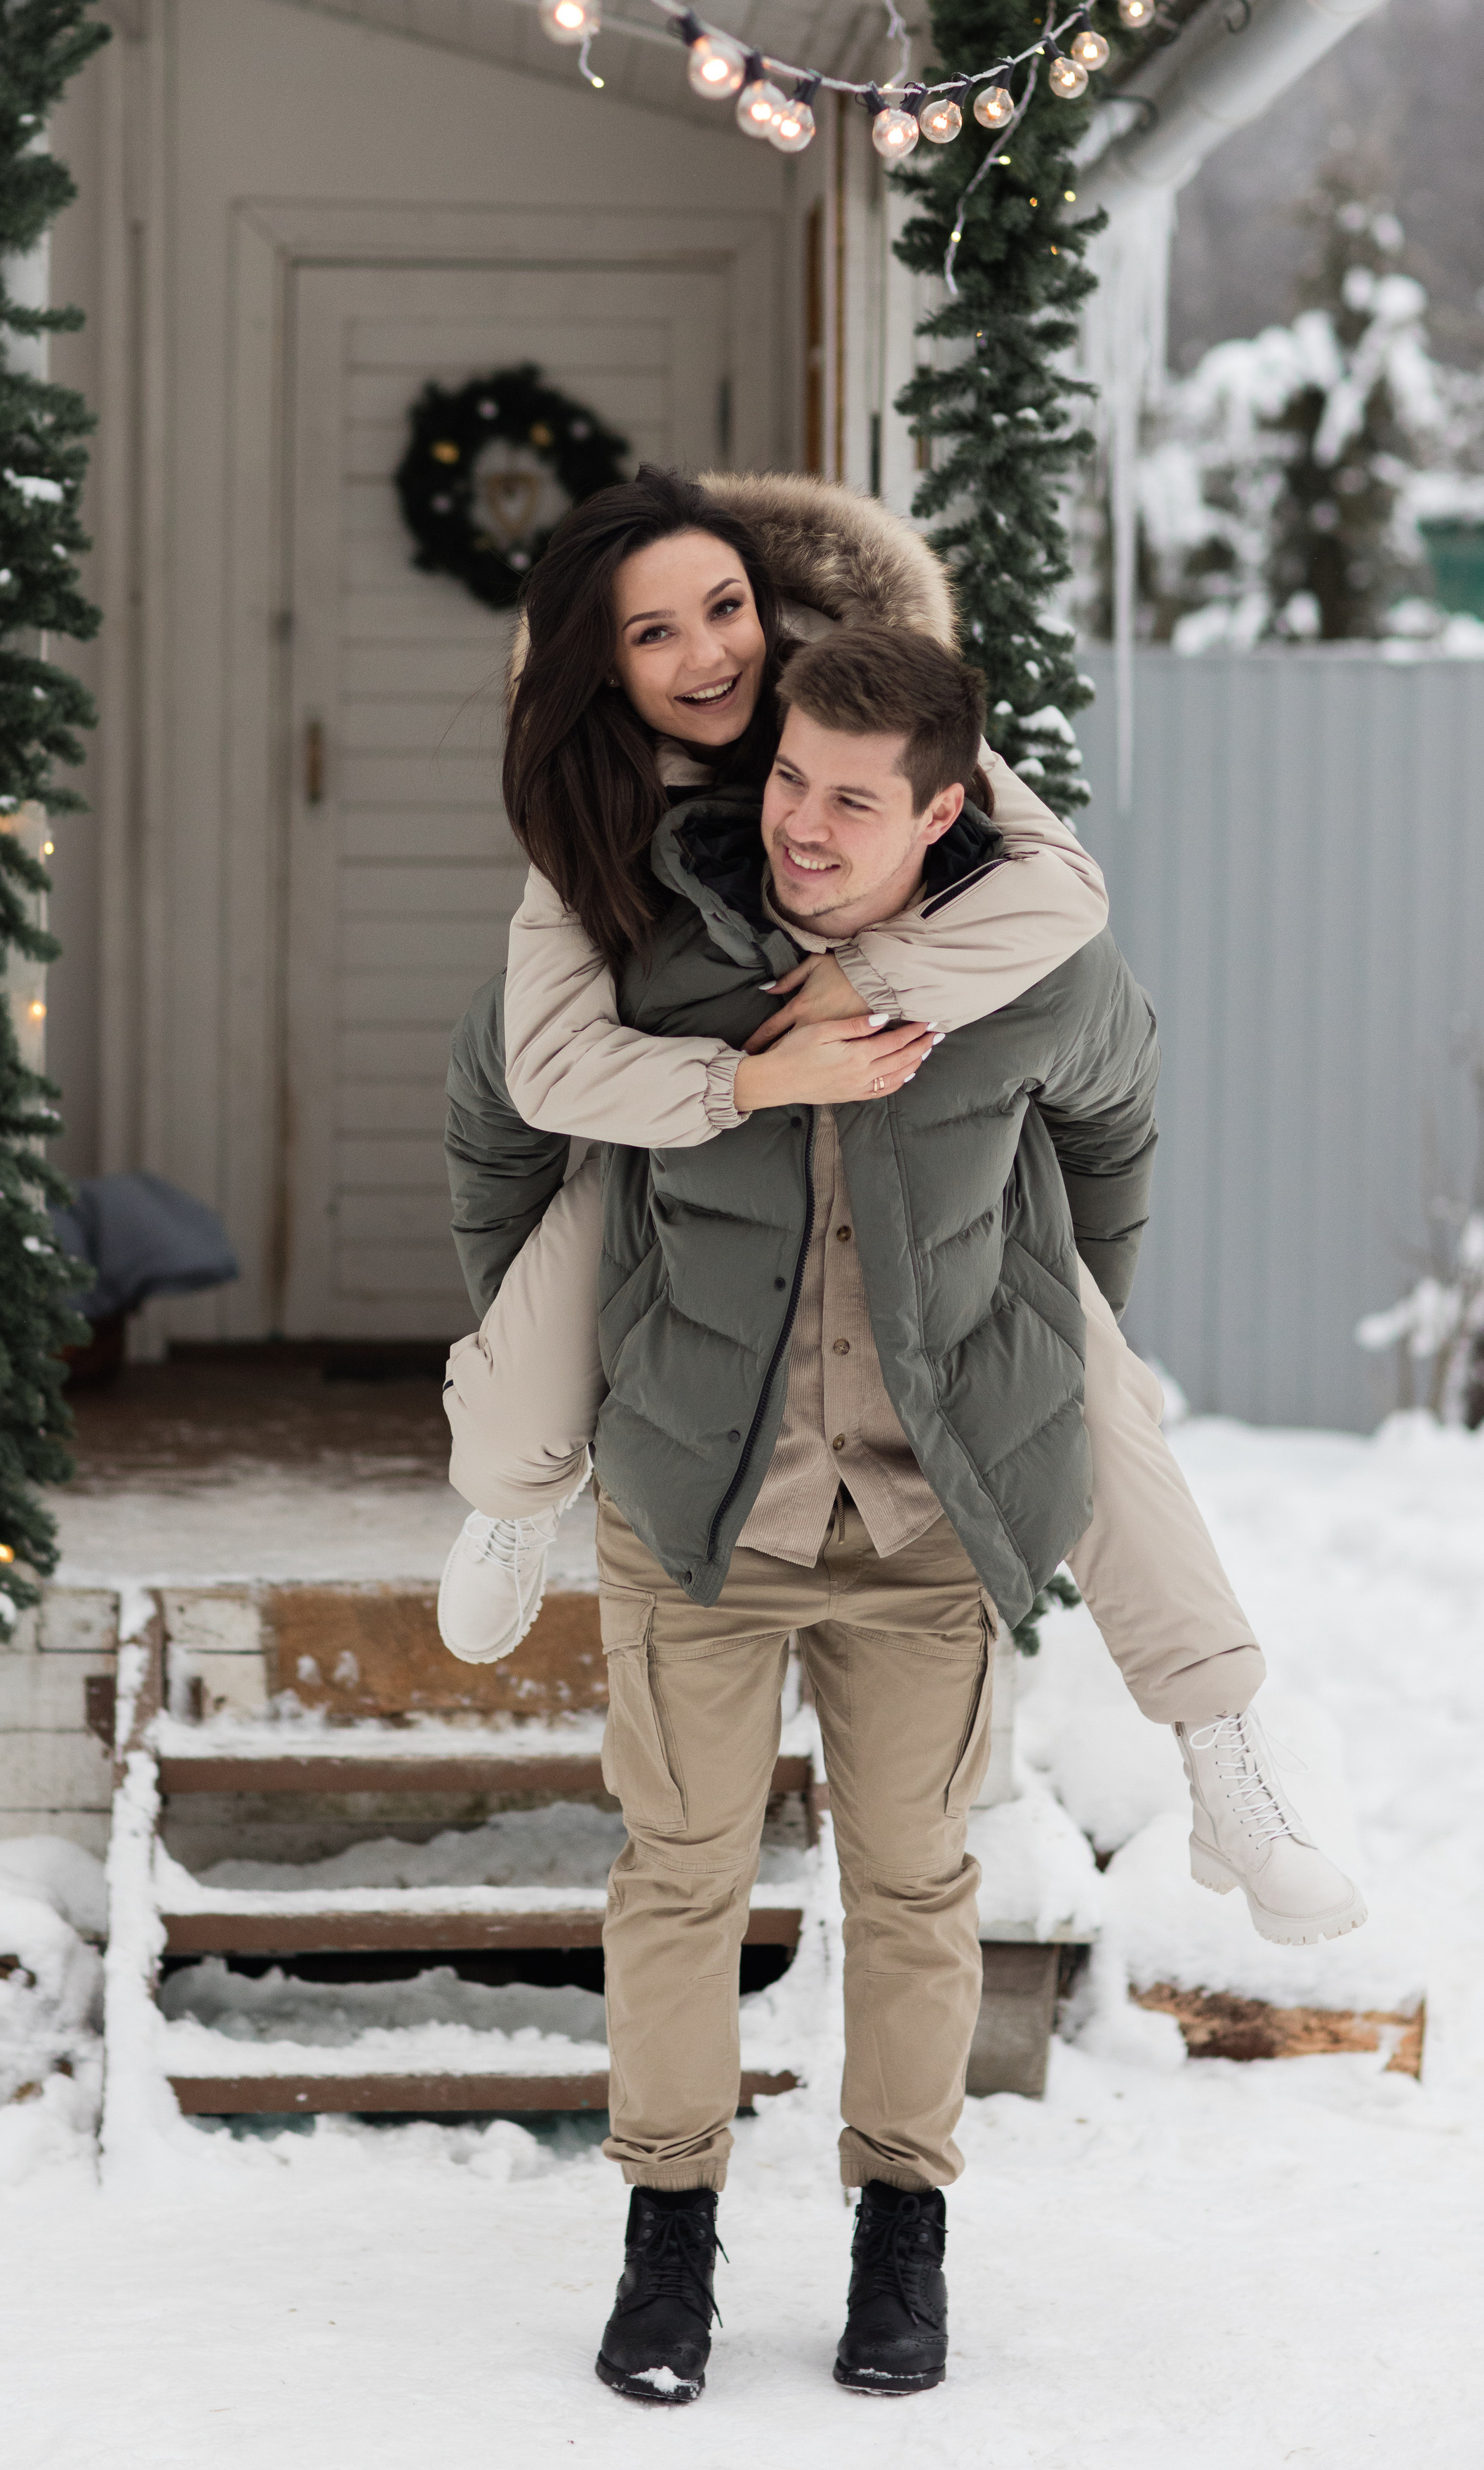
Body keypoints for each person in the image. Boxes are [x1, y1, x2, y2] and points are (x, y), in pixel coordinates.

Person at [438, 473, 1368, 2408]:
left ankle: (902, 2237)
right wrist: (575, 1358)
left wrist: (1032, 1303)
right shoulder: (631, 908)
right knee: (677, 1877)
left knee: (918, 1884)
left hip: (927, 1513)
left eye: (728, 623)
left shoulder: (1018, 934)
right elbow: (512, 1130)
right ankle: (669, 2243)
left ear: (926, 802)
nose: (789, 794)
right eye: (658, 637)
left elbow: (1116, 1123)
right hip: (701, 1495)